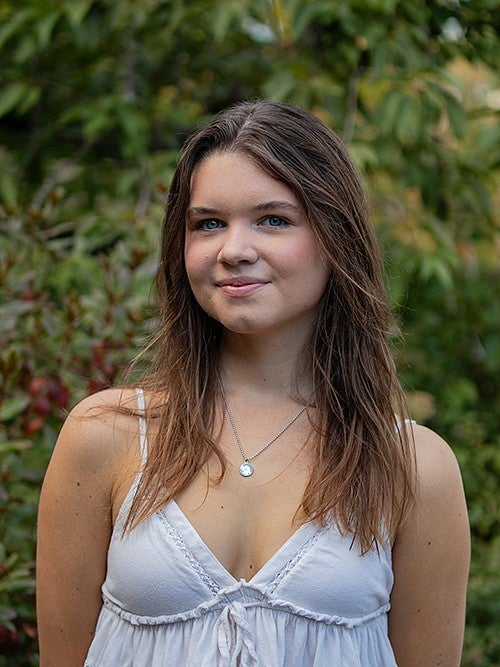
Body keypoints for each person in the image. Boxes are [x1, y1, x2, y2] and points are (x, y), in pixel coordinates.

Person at [36, 101, 470, 666]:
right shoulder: (107, 437)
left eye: (273, 219)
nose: (234, 250)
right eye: (208, 223)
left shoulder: (413, 467)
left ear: (335, 236)